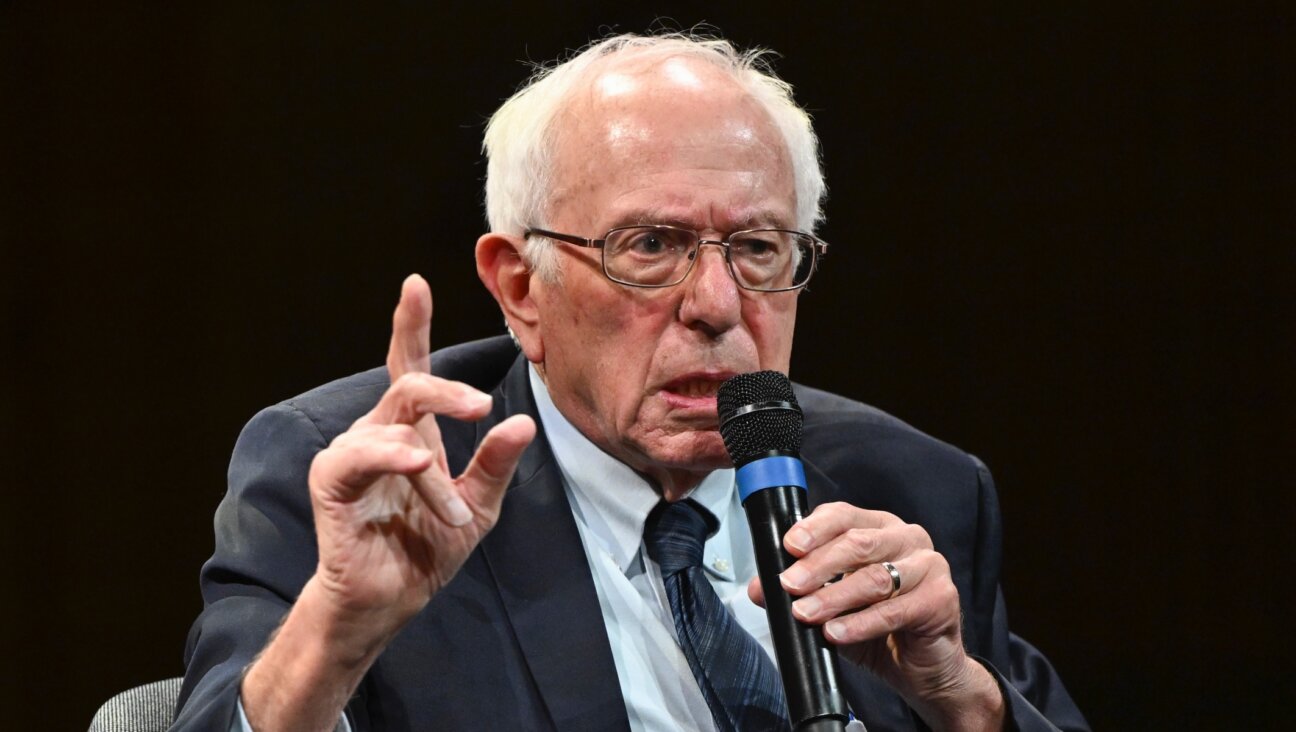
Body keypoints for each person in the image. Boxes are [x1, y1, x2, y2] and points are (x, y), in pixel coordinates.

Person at [174, 33, 1088, 731]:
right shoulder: (366, 478)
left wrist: (962, 699)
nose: (719, 306)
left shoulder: (917, 489)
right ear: (520, 287)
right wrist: (334, 634)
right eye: (650, 247)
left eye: (760, 248)